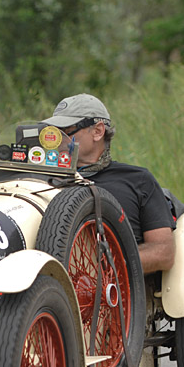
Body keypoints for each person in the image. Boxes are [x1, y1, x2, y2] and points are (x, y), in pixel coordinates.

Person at [41, 93, 175, 273]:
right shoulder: (41, 178)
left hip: (113, 290)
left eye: (66, 131)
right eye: (54, 131)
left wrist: (102, 265)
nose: (57, 140)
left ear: (98, 131)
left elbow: (163, 252)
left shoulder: (137, 179)